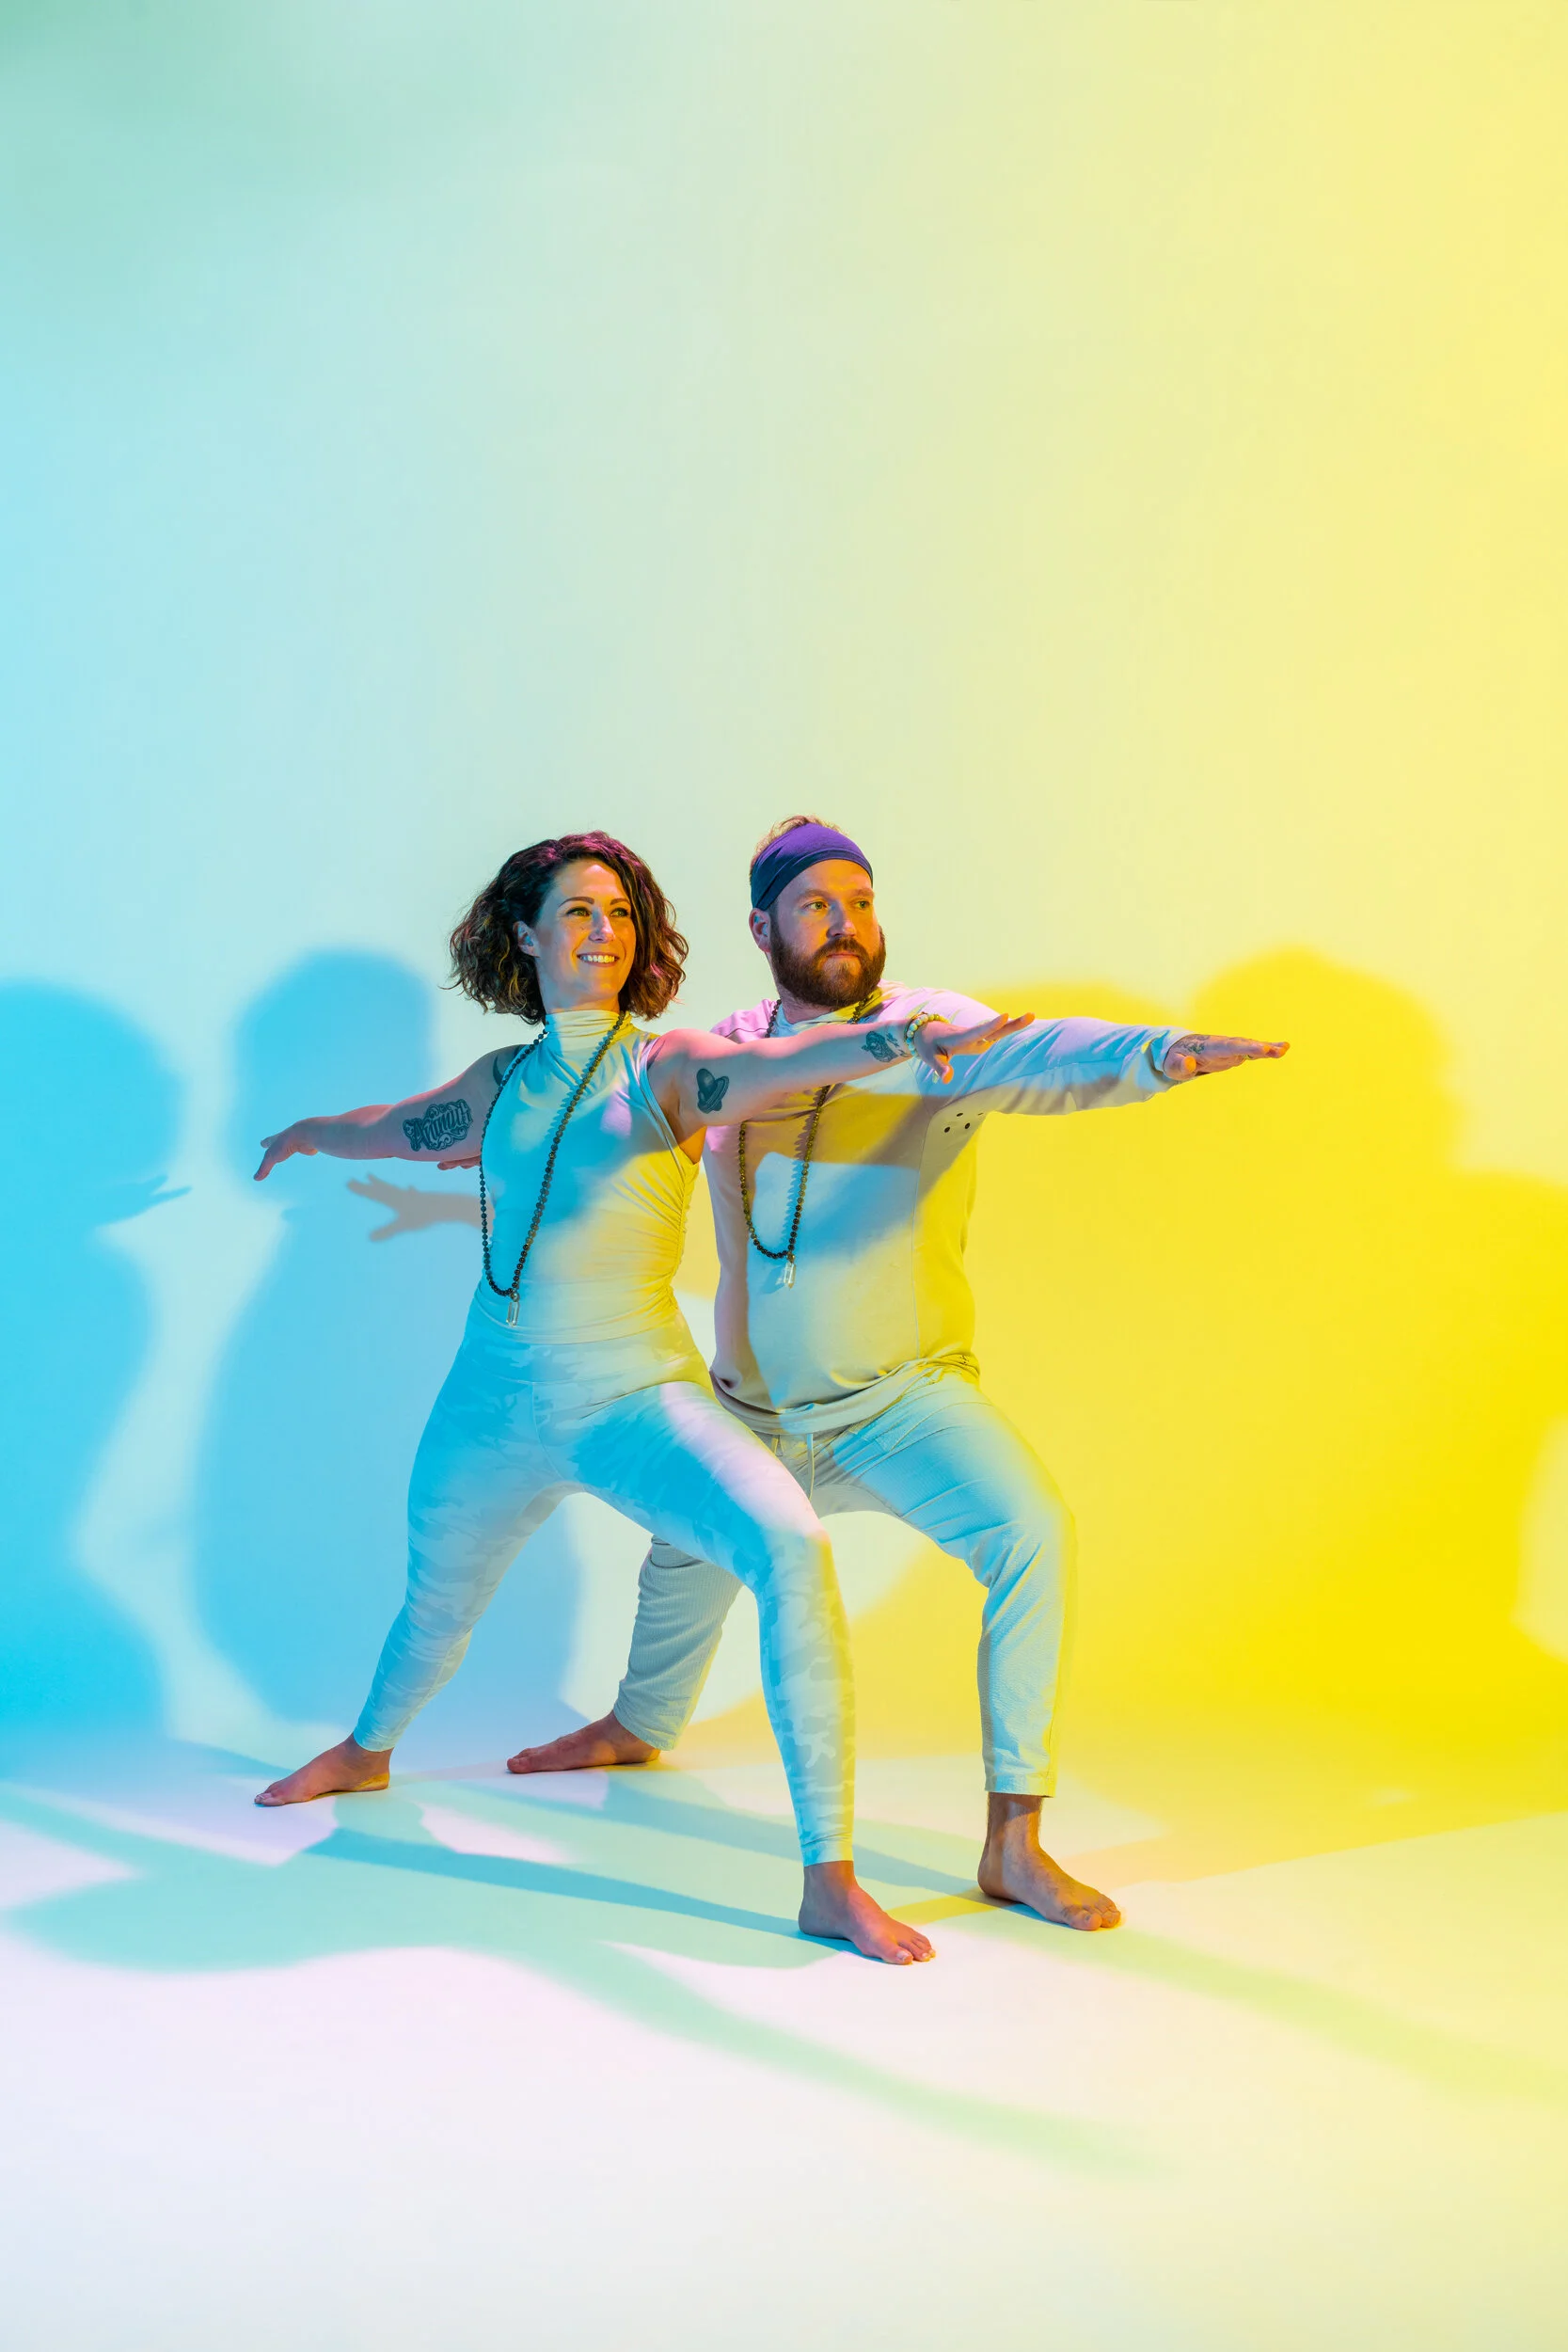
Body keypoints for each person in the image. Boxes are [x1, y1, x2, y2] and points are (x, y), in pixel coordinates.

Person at [250, 831, 1021, 1964]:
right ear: (525, 934)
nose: (603, 932)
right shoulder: (499, 1085)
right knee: (433, 1608)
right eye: (576, 913)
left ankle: (827, 1877)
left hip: (631, 1401)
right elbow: (403, 1130)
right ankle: (367, 1751)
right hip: (490, 1405)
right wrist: (316, 1132)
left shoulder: (669, 1070)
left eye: (619, 914)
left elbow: (777, 1071)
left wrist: (890, 1036)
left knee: (788, 1547)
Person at [510, 818, 1288, 1931]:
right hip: (750, 1415)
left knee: (1033, 1534)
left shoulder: (930, 1035)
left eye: (861, 901)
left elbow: (1040, 1051)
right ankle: (636, 1725)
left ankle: (1013, 1843)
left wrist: (1154, 1055)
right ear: (760, 926)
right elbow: (595, 1113)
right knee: (676, 1571)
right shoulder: (727, 1046)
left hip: (900, 1405)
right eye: (816, 904)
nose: (845, 924)